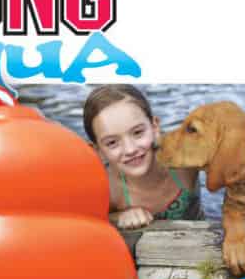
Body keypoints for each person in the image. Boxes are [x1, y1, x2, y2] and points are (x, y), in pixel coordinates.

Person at [82, 85, 202, 230]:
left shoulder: (184, 160)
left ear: (155, 127)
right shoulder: (109, 191)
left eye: (138, 132)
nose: (130, 149)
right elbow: (87, 220)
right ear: (98, 151)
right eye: (112, 142)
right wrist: (118, 216)